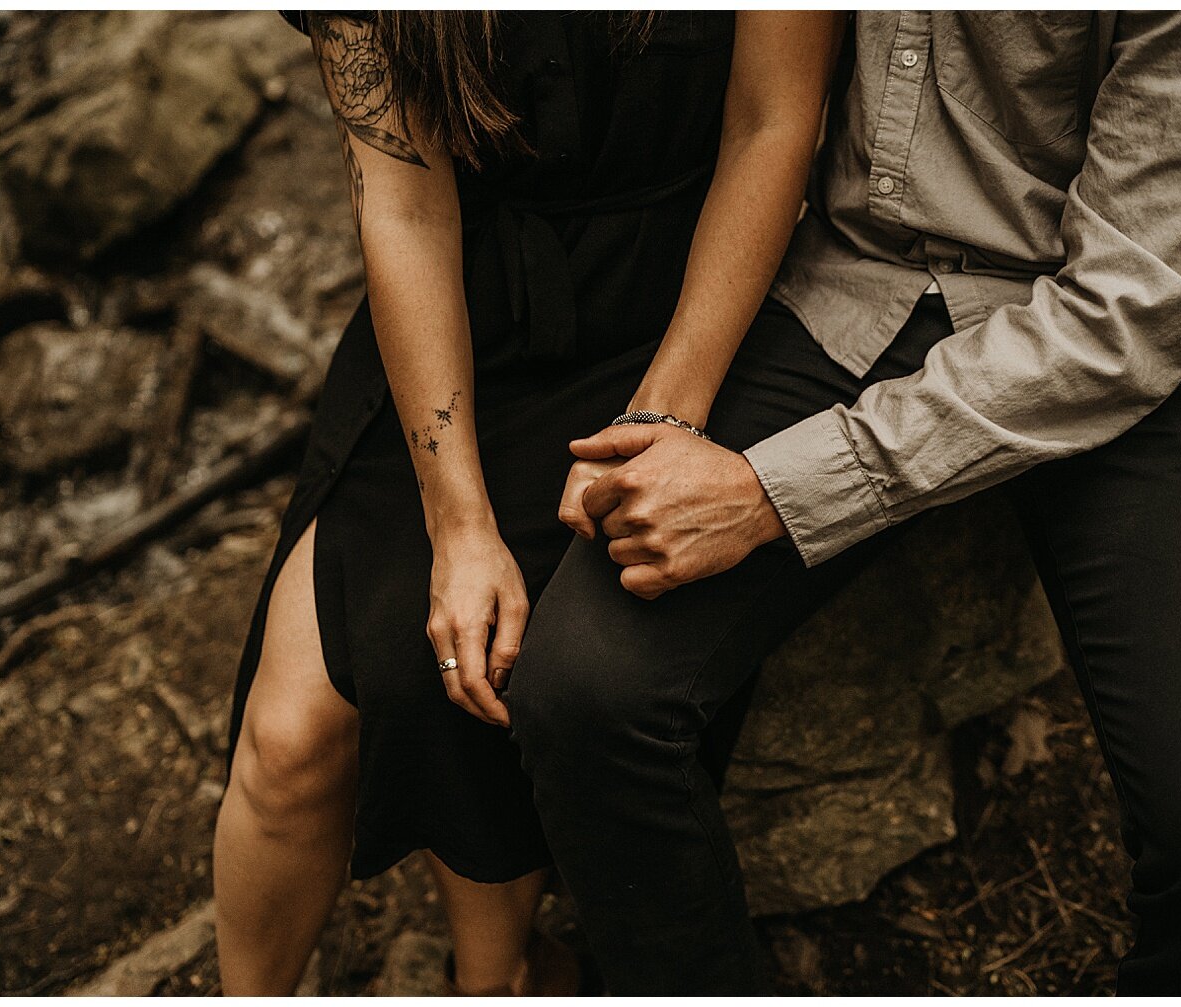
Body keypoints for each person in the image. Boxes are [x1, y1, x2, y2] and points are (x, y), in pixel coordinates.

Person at [507, 11, 1181, 995]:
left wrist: (770, 493)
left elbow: (1127, 313)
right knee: (584, 691)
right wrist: (664, 415)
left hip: (1138, 330)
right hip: (845, 280)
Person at [212, 10, 841, 996]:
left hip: (685, 315)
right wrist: (459, 523)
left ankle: (495, 971)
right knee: (292, 738)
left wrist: (661, 417)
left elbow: (773, 123)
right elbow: (405, 207)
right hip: (458, 325)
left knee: (486, 680)